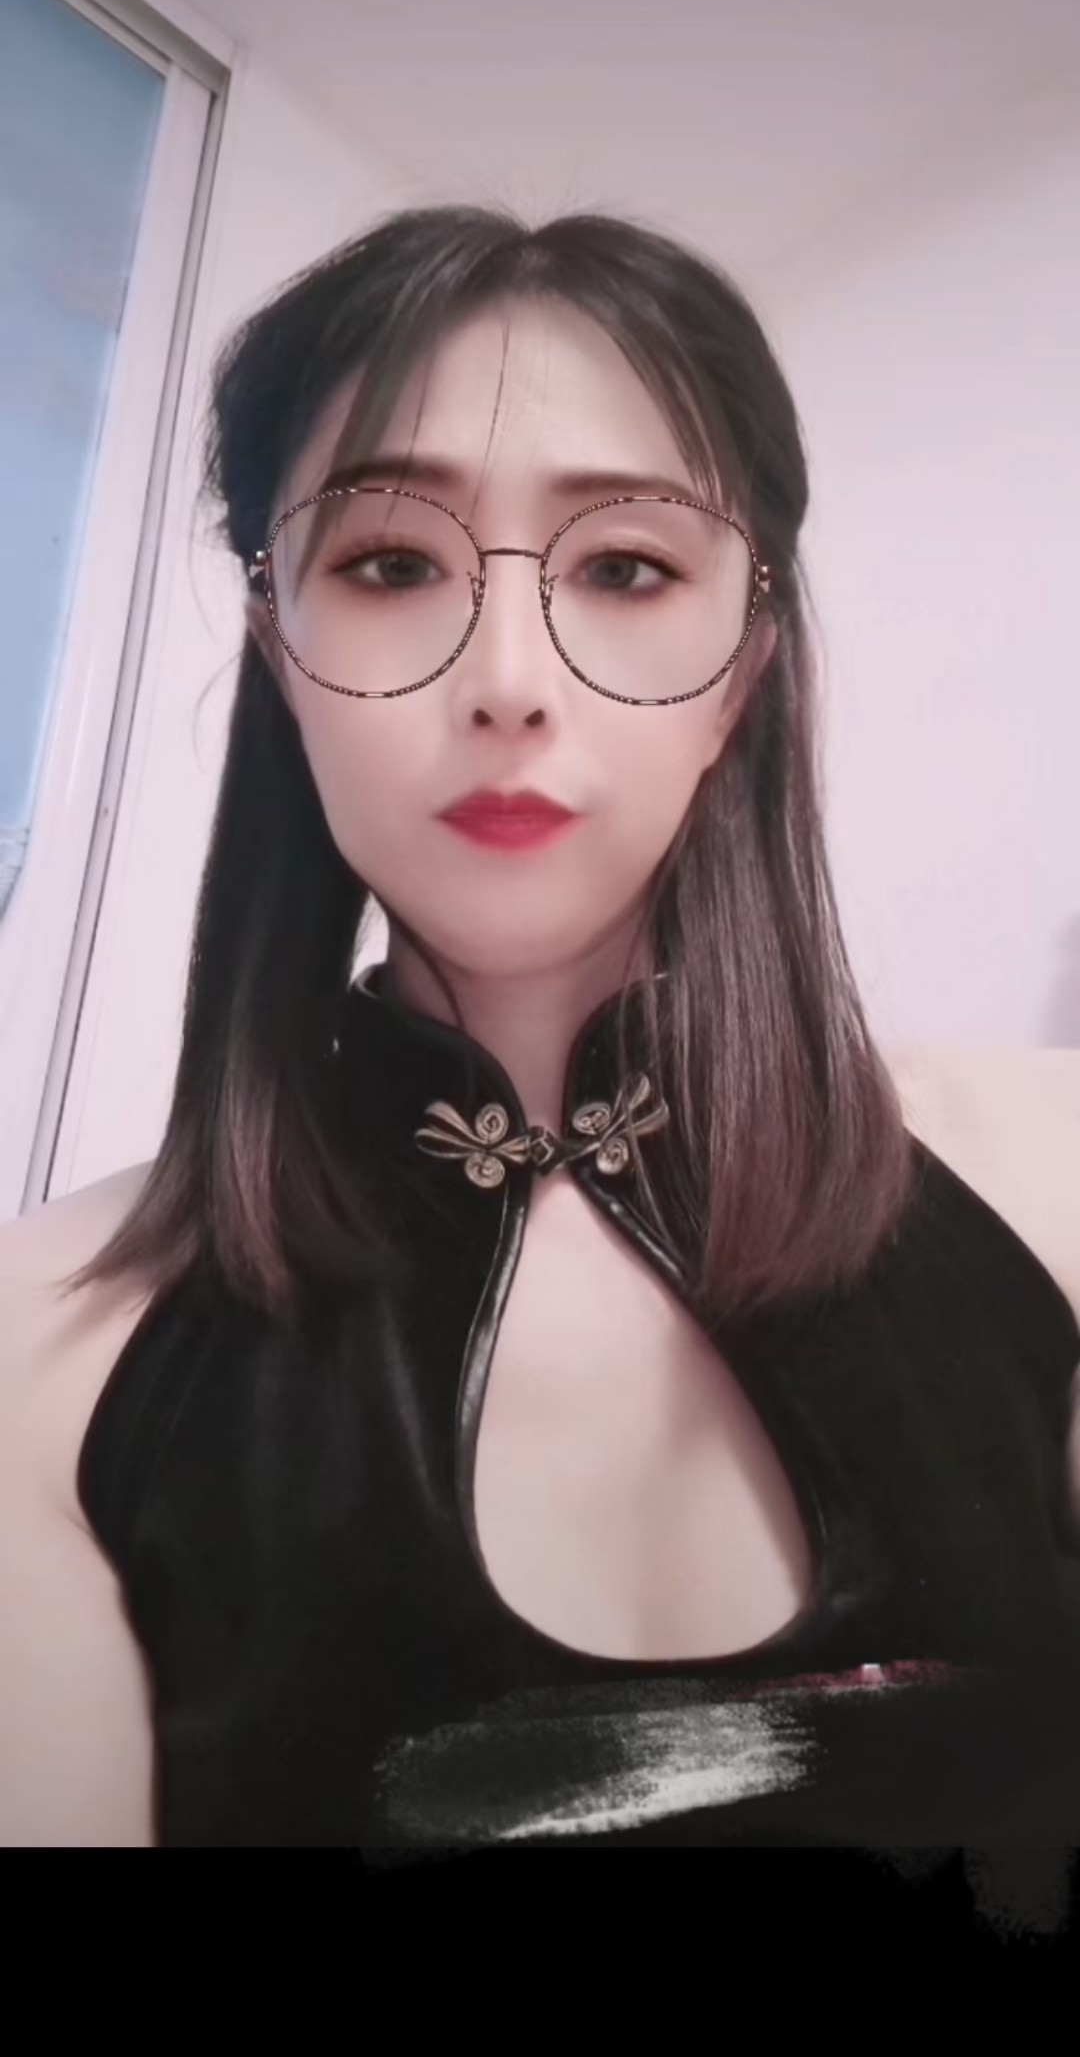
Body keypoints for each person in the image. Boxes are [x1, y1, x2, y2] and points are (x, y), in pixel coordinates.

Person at [2, 206, 1080, 1873]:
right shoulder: (38, 1364)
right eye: (390, 564)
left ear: (746, 664)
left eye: (627, 568)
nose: (508, 680)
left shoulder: (1056, 1180)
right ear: (280, 650)